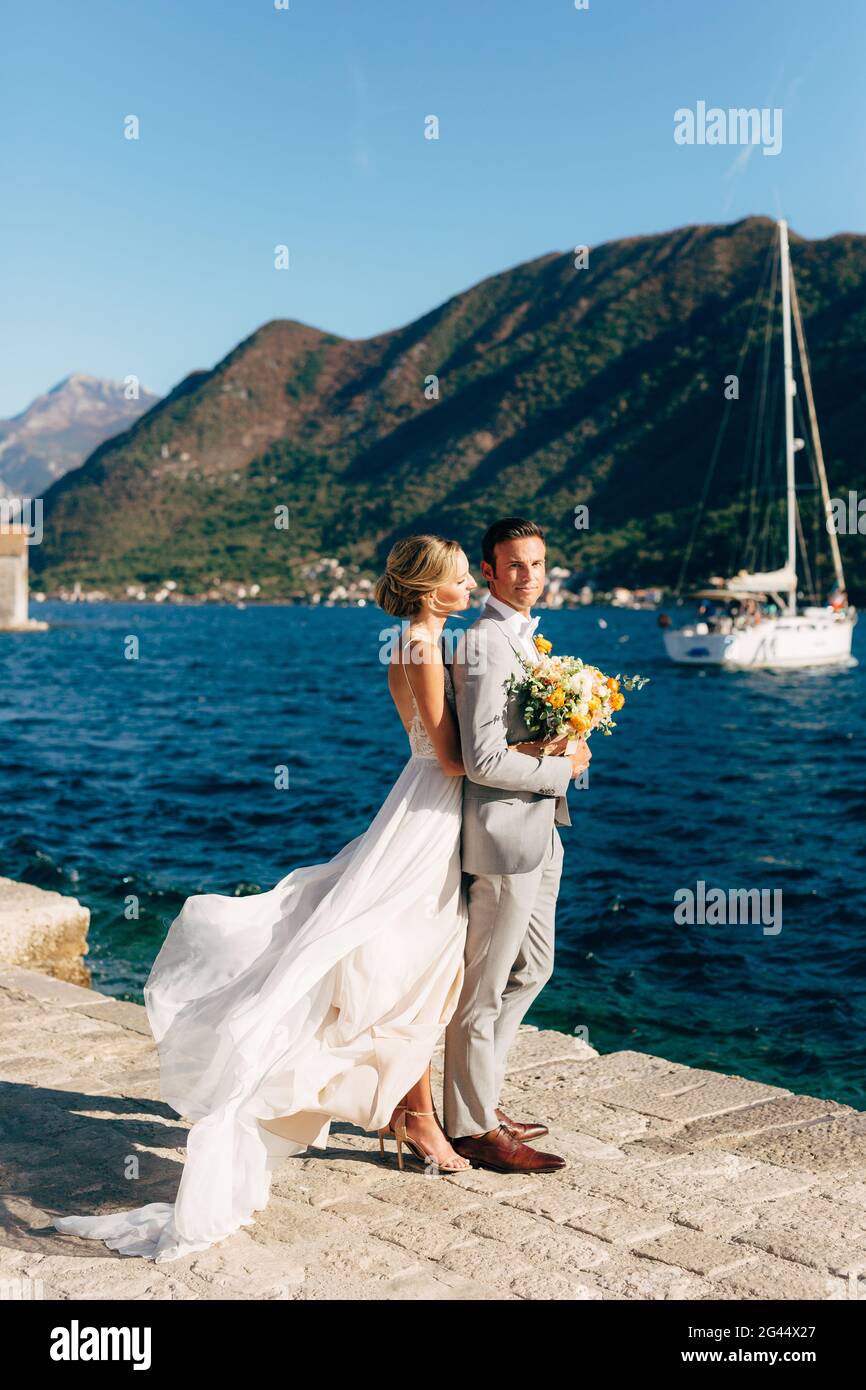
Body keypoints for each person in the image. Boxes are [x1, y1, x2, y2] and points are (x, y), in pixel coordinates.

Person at [51, 535, 483, 1262]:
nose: (471, 583)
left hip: (418, 804)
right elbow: (447, 754)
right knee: (410, 966)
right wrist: (541, 745)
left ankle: (414, 1116)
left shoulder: (411, 642)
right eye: (462, 576)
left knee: (413, 965)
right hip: (431, 811)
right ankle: (414, 1117)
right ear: (434, 589)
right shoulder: (421, 644)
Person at [444, 517, 590, 1173]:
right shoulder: (483, 645)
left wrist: (569, 737)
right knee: (481, 990)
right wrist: (564, 767)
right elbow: (480, 760)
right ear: (490, 571)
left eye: (537, 562)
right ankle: (469, 1126)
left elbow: (523, 736)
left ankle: (485, 1097)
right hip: (503, 836)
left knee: (533, 969)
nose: (529, 575)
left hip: (543, 831)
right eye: (516, 565)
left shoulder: (524, 641)